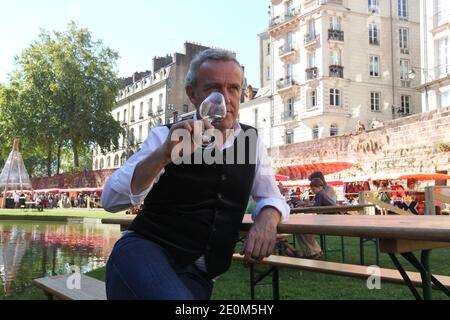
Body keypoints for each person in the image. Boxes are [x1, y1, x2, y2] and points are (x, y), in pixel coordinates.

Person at [101, 48, 290, 300]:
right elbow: (111, 200)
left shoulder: (251, 141)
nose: (225, 98)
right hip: (144, 252)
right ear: (192, 94)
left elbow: (272, 196)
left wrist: (268, 218)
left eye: (233, 88)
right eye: (214, 89)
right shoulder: (165, 136)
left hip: (198, 274)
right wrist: (163, 155)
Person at [285, 171, 336, 259]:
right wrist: (304, 203)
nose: (312, 190)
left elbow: (316, 206)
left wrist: (305, 204)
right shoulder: (320, 193)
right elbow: (314, 203)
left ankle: (312, 251)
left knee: (300, 227)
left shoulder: (322, 193)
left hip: (329, 219)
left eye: (313, 188)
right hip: (325, 217)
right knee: (299, 226)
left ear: (319, 186)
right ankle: (313, 251)